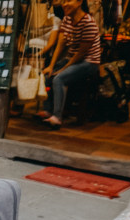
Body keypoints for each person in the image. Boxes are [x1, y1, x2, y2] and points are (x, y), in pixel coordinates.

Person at [38, 0, 101, 128]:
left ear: (78, 2)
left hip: (89, 62)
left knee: (59, 79)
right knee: (46, 75)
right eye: (64, 1)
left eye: (69, 1)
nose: (64, 4)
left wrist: (63, 69)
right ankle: (47, 110)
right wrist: (51, 66)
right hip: (72, 58)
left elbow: (81, 54)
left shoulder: (88, 22)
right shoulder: (67, 19)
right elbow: (60, 45)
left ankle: (57, 117)